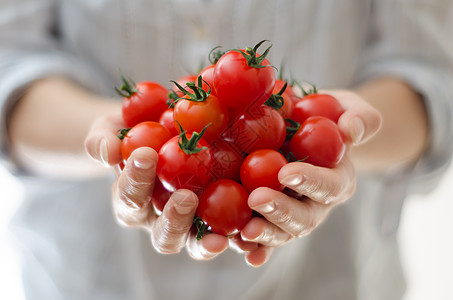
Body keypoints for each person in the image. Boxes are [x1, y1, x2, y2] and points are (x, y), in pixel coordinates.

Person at [1, 0, 452, 299]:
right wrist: (118, 142)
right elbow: (10, 65)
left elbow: (430, 77)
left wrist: (339, 144)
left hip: (330, 280)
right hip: (87, 280)